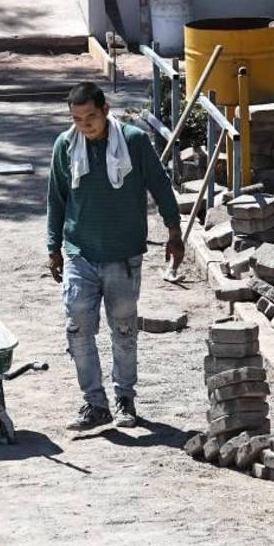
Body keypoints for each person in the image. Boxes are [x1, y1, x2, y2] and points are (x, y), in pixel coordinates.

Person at [47, 82, 184, 431]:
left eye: (91, 117)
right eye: (77, 119)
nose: (85, 125)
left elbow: (160, 186)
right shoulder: (65, 146)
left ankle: (125, 398)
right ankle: (95, 403)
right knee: (78, 327)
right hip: (80, 253)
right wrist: (53, 247)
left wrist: (174, 232)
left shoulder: (134, 142)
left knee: (123, 330)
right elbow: (57, 199)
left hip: (123, 255)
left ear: (105, 110)